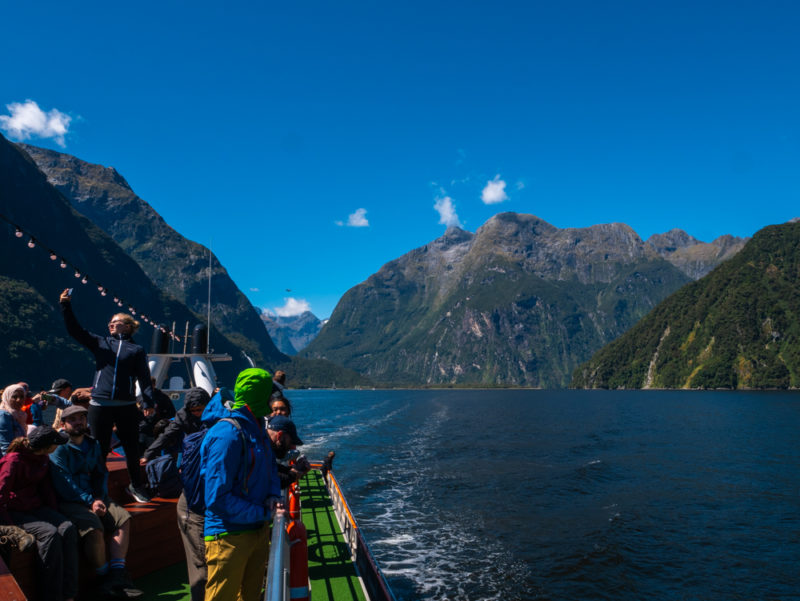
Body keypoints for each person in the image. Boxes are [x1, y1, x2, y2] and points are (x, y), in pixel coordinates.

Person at [59, 288, 154, 503]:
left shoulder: (136, 350)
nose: (111, 324)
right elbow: (76, 331)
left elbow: (144, 377)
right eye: (110, 322)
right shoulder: (101, 343)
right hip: (100, 404)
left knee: (132, 447)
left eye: (116, 322)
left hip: (127, 404)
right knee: (99, 448)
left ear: (129, 326)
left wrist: (147, 400)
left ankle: (136, 486)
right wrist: (66, 306)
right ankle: (97, 489)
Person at [201, 368, 284, 601]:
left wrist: (273, 495)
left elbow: (270, 470)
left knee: (250, 596)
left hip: (256, 529)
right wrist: (261, 512)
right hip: (228, 535)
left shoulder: (256, 429)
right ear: (258, 396)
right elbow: (217, 497)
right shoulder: (227, 434)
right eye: (269, 395)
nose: (273, 401)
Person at [49, 405, 143, 599]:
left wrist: (99, 497)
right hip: (70, 501)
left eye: (81, 418)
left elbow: (101, 473)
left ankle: (117, 574)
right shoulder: (59, 449)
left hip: (95, 497)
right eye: (72, 419)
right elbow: (65, 484)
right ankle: (103, 577)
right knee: (94, 528)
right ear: (62, 424)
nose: (78, 422)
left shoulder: (93, 444)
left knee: (123, 518)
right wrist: (91, 501)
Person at [138, 387, 210, 601]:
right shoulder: (182, 417)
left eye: (201, 409)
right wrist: (149, 453)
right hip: (194, 467)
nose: (197, 413)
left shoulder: (216, 416)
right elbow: (168, 435)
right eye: (194, 410)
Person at [0, 426, 78, 601]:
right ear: (45, 447)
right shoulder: (13, 461)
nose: (58, 446)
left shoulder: (42, 458)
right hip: (14, 512)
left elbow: (46, 489)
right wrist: (9, 525)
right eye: (55, 443)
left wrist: (55, 513)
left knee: (67, 528)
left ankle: (69, 594)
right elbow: (1, 495)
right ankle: (52, 597)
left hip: (35, 507)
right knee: (49, 534)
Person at [266, 415, 308, 489]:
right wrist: (293, 474)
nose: (291, 447)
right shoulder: (255, 447)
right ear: (280, 435)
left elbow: (270, 466)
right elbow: (265, 478)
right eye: (290, 442)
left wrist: (290, 469)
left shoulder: (264, 446)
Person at [0, 384, 28, 456]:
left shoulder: (20, 415)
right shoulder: (4, 415)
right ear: (7, 397)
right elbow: (6, 445)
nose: (19, 400)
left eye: (22, 397)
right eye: (14, 397)